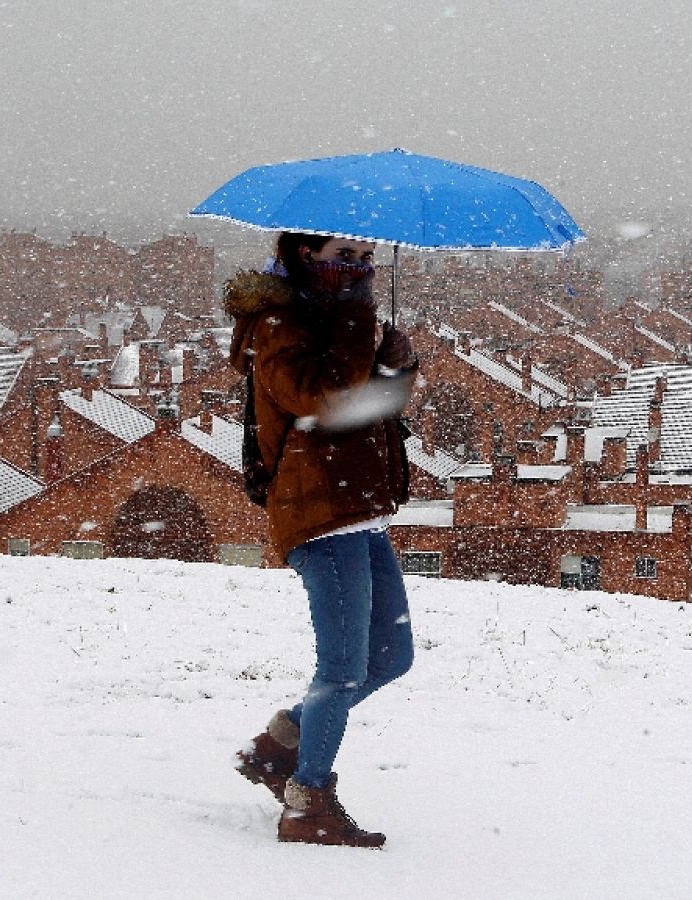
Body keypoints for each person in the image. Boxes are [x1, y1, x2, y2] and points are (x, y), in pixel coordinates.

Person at [224, 231, 418, 848]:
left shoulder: (335, 319)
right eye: (344, 258)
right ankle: (307, 804)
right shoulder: (280, 326)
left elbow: (369, 408)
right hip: (318, 508)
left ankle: (281, 744)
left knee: (391, 656)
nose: (358, 269)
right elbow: (320, 397)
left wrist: (396, 367)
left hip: (360, 507)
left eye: (365, 259)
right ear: (305, 256)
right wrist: (361, 325)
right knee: (340, 669)